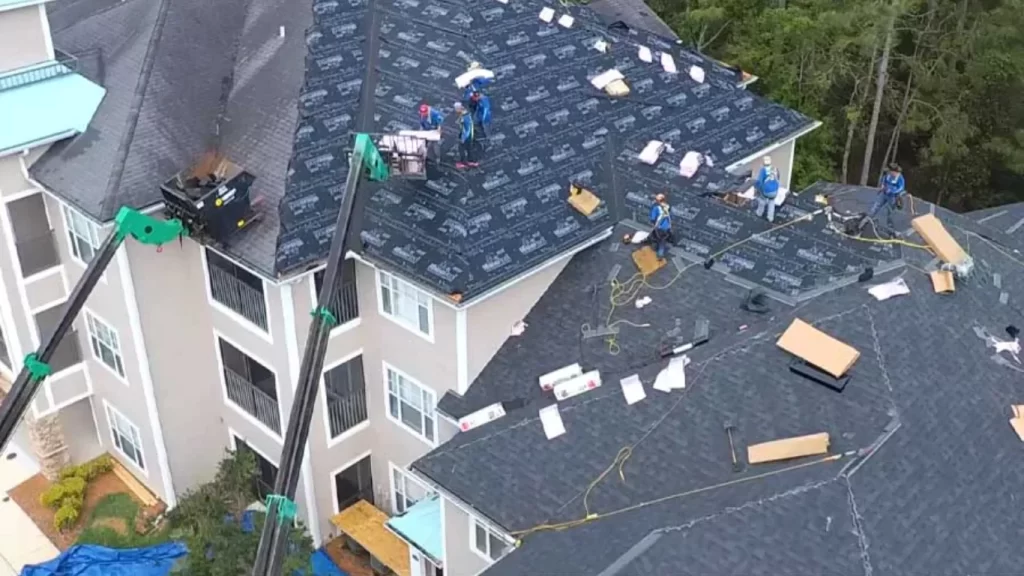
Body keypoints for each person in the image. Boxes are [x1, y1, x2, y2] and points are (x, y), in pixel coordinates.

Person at [859, 163, 906, 236]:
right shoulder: (888, 176)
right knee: (876, 206)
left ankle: (891, 230)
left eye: (891, 172)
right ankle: (867, 219)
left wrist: (892, 190)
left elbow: (901, 188)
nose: (890, 173)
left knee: (890, 212)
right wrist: (883, 186)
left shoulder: (900, 178)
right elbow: (884, 181)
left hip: (892, 197)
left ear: (895, 172)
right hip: (884, 194)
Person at [753, 156, 780, 223]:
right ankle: (770, 217)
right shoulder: (775, 169)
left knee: (762, 200)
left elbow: (760, 182)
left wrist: (756, 189)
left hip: (766, 191)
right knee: (771, 202)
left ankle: (759, 213)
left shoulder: (763, 170)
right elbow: (778, 179)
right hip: (774, 191)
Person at [648, 193, 673, 258]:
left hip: (658, 228)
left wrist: (653, 223)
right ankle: (660, 254)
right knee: (662, 241)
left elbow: (653, 218)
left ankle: (654, 248)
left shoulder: (656, 208)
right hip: (666, 228)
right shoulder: (668, 207)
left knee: (654, 238)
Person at [454, 102, 478, 169]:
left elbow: (466, 129)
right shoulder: (465, 114)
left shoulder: (464, 117)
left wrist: (463, 138)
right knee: (469, 148)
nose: (455, 110)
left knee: (461, 148)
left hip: (466, 136)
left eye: (456, 109)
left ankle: (463, 163)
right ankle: (472, 161)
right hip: (470, 135)